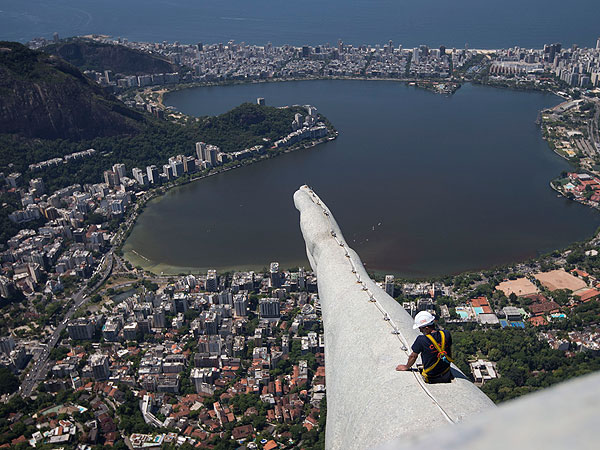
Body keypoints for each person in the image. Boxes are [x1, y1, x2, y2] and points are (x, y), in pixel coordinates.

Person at [396, 311, 454, 384]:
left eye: (420, 328)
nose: (420, 330)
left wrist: (406, 367)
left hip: (431, 376)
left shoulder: (421, 340)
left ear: (426, 328)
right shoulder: (446, 334)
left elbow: (413, 356)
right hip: (446, 373)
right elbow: (448, 349)